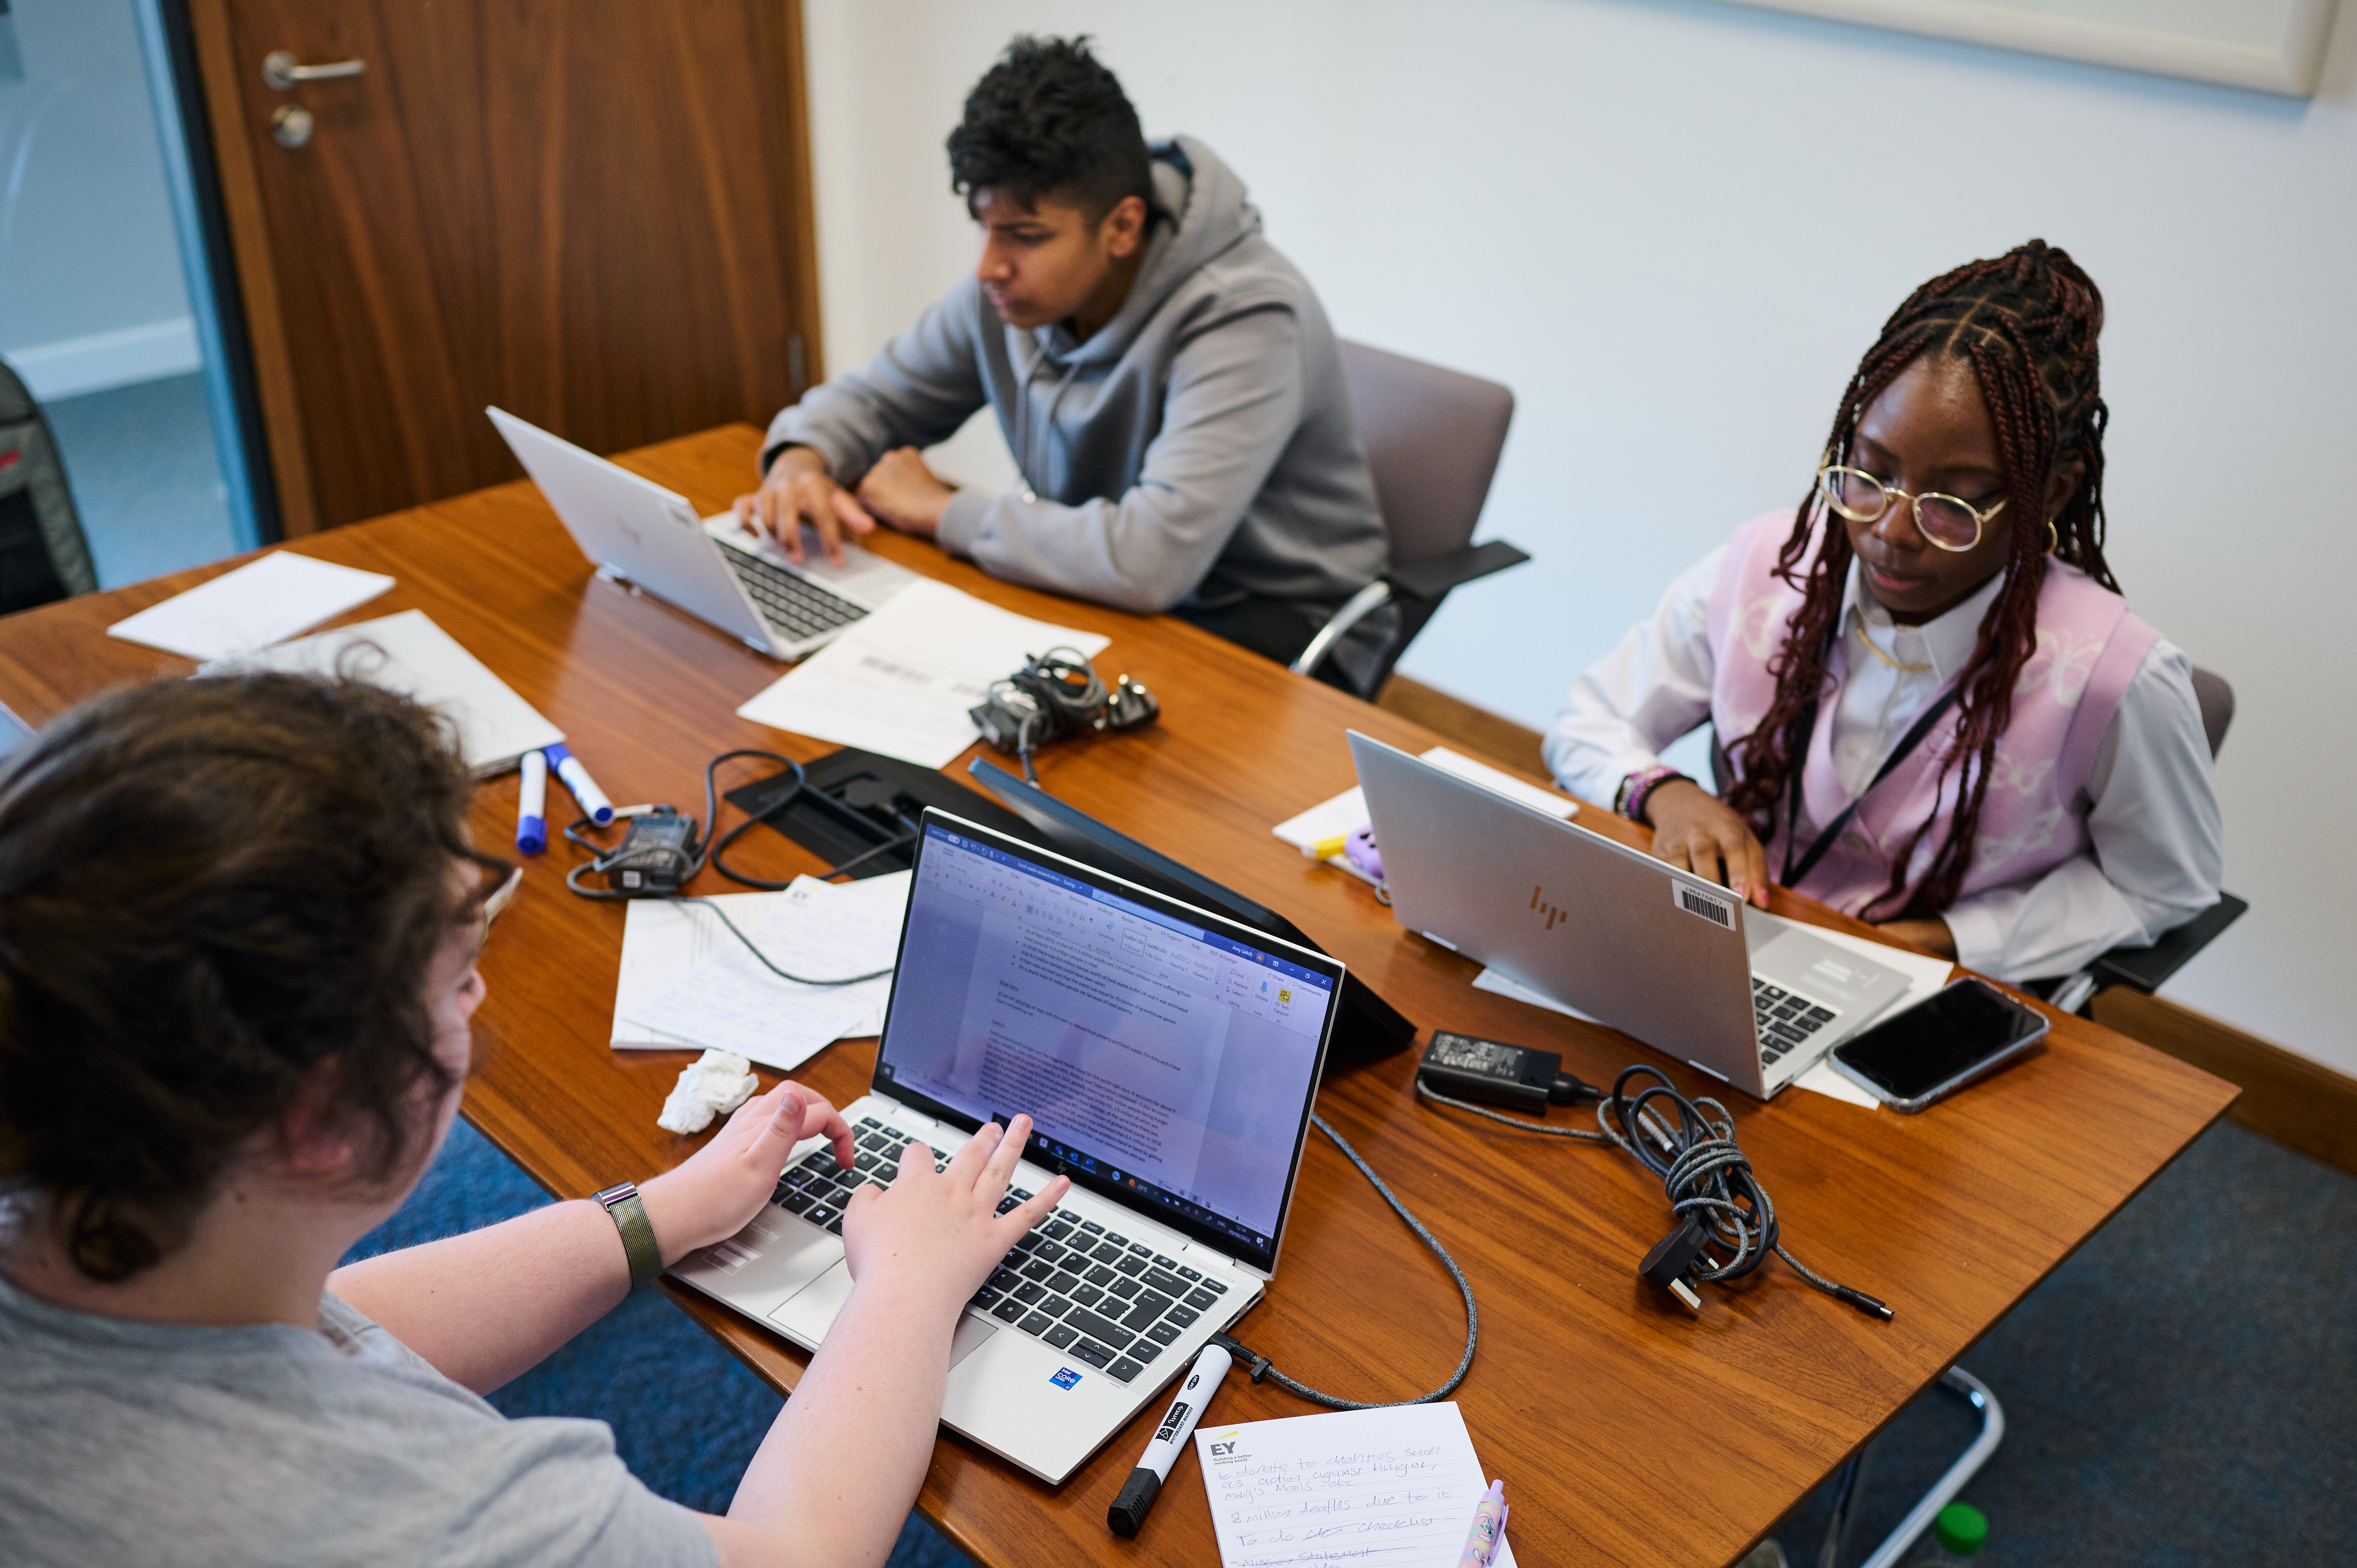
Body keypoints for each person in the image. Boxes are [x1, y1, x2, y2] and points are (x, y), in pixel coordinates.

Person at [0, 672, 1069, 1568]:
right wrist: (914, 1288)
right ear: (326, 1119)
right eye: (459, 976)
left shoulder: (85, 1235)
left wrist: (664, 1211)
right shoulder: (436, 1517)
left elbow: (323, 1325)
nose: (476, 1001)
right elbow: (792, 1554)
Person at [1544, 241, 2222, 983]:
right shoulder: (1765, 570)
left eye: (1952, 503)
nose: (1890, 532)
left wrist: (1954, 941)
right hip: (1721, 946)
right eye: (1868, 474)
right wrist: (1661, 793)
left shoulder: (2112, 680)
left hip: (1931, 997)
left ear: (2050, 493)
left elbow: (2164, 884)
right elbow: (1587, 721)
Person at [734, 36, 1393, 692]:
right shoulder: (1009, 293)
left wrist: (941, 509)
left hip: (1266, 629)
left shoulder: (1245, 314)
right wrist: (801, 461)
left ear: (1122, 227)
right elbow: (875, 400)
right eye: (983, 225)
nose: (988, 266)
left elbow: (1149, 559)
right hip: (1105, 592)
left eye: (1025, 237)